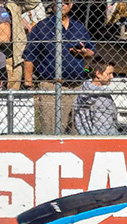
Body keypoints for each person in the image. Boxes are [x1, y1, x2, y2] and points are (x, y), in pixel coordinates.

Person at [21, 0, 93, 133]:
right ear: (53, 5)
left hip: (76, 87)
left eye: (66, 2)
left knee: (77, 132)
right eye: (58, 3)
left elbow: (91, 51)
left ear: (71, 5)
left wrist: (84, 52)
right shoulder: (42, 27)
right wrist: (28, 83)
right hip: (51, 87)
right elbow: (29, 57)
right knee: (52, 132)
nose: (62, 5)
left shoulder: (79, 27)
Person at [72, 58, 116, 134]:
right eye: (109, 73)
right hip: (105, 139)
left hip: (86, 136)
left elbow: (78, 120)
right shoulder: (103, 97)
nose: (112, 77)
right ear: (98, 73)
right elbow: (104, 125)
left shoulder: (83, 90)